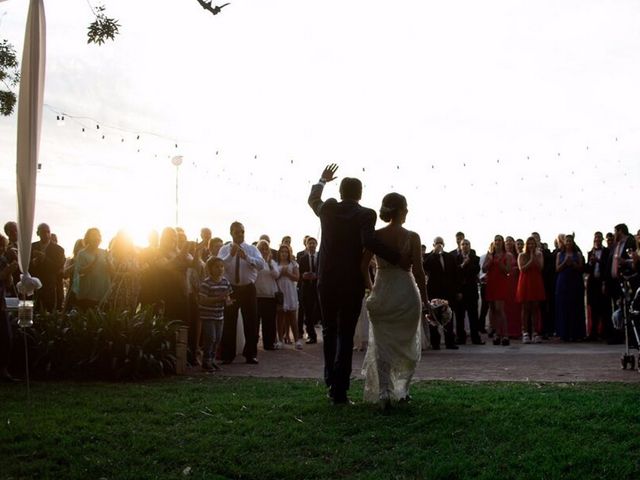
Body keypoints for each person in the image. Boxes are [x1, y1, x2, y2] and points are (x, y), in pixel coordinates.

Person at [308, 164, 404, 405]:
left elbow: (313, 199)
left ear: (340, 193)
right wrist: (397, 258)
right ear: (360, 194)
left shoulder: (328, 209)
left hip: (327, 280)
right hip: (350, 280)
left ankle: (331, 383)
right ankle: (339, 390)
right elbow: (368, 241)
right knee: (345, 334)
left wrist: (322, 179)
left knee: (329, 331)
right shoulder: (366, 214)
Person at [361, 193, 427, 408]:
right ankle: (403, 390)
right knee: (408, 343)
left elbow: (362, 267)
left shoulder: (376, 235)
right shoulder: (413, 237)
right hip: (407, 294)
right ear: (399, 210)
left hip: (382, 291)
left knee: (382, 346)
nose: (407, 211)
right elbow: (418, 271)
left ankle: (384, 393)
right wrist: (425, 300)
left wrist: (371, 290)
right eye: (406, 208)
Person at [218, 221, 265, 364]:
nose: (240, 234)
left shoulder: (251, 249)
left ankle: (250, 354)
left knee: (251, 322)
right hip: (231, 289)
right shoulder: (225, 249)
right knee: (229, 322)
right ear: (231, 233)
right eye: (237, 232)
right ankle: (228, 355)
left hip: (248, 288)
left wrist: (247, 257)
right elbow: (219, 266)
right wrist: (231, 256)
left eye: (242, 231)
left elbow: (261, 264)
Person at [423, 237, 459, 349]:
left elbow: (455, 274)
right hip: (433, 291)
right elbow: (425, 267)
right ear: (433, 245)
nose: (439, 245)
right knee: (433, 316)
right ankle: (435, 343)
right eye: (437, 243)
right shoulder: (428, 257)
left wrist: (456, 290)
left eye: (441, 243)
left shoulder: (449, 257)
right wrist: (434, 253)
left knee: (448, 315)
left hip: (447, 291)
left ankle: (450, 342)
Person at [199, 257, 233, 372]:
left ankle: (212, 360)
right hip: (208, 315)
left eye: (221, 266)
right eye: (216, 267)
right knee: (210, 338)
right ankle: (206, 361)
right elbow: (202, 300)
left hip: (219, 315)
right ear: (210, 268)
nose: (219, 269)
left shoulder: (225, 282)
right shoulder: (206, 283)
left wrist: (228, 301)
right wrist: (218, 298)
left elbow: (227, 297)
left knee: (217, 339)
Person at [482, 235, 513, 346]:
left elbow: (508, 270)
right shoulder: (490, 255)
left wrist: (500, 264)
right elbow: (484, 269)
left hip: (501, 283)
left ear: (502, 242)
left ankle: (504, 335)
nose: (497, 242)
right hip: (491, 283)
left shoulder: (507, 255)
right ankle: (496, 333)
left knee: (500, 309)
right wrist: (489, 261)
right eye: (496, 240)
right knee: (493, 309)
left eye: (499, 240)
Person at [555, 234, 586, 342]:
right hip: (563, 282)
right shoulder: (560, 254)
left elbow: (581, 268)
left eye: (570, 241)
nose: (568, 243)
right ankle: (564, 333)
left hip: (575, 282)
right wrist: (565, 263)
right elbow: (557, 268)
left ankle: (576, 333)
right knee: (563, 307)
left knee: (575, 307)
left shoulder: (577, 254)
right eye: (566, 241)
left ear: (573, 243)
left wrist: (573, 263)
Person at [72, 228, 112, 311]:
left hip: (102, 294)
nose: (96, 237)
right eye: (94, 235)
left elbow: (112, 271)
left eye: (98, 235)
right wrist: (93, 263)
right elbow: (80, 271)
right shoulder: (82, 253)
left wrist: (109, 262)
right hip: (87, 295)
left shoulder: (104, 252)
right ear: (88, 238)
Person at [30, 223, 66, 313]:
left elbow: (58, 267)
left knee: (49, 312)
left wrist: (44, 259)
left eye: (48, 232)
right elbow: (25, 266)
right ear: (38, 233)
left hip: (50, 287)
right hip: (33, 287)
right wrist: (33, 263)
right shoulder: (31, 247)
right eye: (43, 232)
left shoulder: (59, 250)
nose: (46, 234)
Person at [453, 239, 484, 344]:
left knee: (473, 316)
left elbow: (475, 271)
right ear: (460, 246)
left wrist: (467, 263)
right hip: (460, 292)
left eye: (467, 244)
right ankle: (460, 338)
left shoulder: (475, 258)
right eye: (463, 244)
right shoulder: (455, 259)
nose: (465, 246)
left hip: (471, 291)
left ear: (470, 246)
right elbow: (455, 274)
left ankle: (475, 338)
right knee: (459, 317)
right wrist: (463, 264)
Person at [516, 237, 545, 344]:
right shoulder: (521, 255)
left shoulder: (539, 255)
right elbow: (522, 269)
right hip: (525, 282)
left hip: (536, 282)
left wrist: (534, 258)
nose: (531, 246)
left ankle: (535, 332)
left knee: (535, 308)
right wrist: (531, 260)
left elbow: (540, 267)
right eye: (529, 244)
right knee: (525, 308)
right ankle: (525, 332)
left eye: (533, 244)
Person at [584, 231, 610, 340]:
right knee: (593, 309)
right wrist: (590, 262)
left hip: (602, 282)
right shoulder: (591, 252)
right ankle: (593, 332)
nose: (598, 239)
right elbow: (587, 270)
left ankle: (604, 332)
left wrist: (598, 261)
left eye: (599, 237)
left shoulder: (607, 251)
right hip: (593, 283)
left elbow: (607, 265)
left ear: (602, 239)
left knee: (603, 308)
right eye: (596, 238)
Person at [1, 234, 19, 382]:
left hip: (1, 303)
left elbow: (7, 283)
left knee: (7, 337)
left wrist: (10, 272)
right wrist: (7, 271)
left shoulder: (3, 260)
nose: (1, 249)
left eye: (3, 246)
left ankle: (4, 370)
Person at [276, 244, 301, 349]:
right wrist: (281, 273)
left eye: (286, 252)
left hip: (290, 291)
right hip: (280, 291)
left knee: (292, 317)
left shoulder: (293, 264)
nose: (284, 254)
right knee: (280, 317)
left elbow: (297, 278)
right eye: (282, 252)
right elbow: (274, 276)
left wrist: (288, 274)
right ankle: (280, 340)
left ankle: (297, 340)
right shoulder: (276, 264)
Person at [255, 240, 279, 350]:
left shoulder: (272, 262)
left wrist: (269, 264)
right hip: (258, 295)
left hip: (270, 295)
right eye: (261, 249)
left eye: (266, 249)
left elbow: (276, 275)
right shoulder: (255, 262)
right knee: (255, 322)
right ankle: (253, 343)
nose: (264, 251)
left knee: (269, 322)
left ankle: (269, 344)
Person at [297, 236, 320, 344]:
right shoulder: (303, 259)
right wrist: (304, 276)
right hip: (306, 289)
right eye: (309, 243)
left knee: (319, 312)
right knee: (308, 313)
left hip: (319, 288)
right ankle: (311, 335)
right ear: (306, 245)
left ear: (316, 244)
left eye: (313, 243)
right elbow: (299, 274)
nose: (311, 245)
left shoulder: (321, 257)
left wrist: (317, 276)